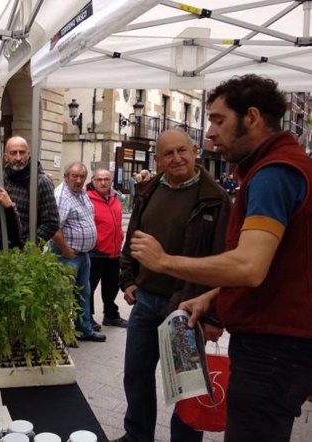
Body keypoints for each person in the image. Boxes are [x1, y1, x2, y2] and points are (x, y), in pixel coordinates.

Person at [129, 75, 312, 442]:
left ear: (253, 117)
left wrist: (164, 261)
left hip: (273, 348)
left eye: (217, 120)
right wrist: (214, 295)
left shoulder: (274, 173)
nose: (209, 133)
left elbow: (248, 265)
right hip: (273, 343)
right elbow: (274, 262)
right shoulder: (276, 167)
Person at [113, 129, 231, 442]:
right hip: (146, 301)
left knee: (186, 386)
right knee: (136, 376)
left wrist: (214, 316)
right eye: (169, 153)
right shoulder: (149, 191)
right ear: (158, 160)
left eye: (182, 151)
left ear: (195, 152)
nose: (176, 158)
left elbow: (224, 258)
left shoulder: (215, 198)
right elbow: (133, 239)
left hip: (187, 308)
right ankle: (137, 436)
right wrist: (127, 279)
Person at [50, 162, 105, 343]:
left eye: (82, 176)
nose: (78, 180)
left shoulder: (81, 193)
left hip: (83, 255)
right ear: (66, 177)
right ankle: (63, 335)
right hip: (67, 255)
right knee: (64, 297)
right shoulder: (62, 196)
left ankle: (83, 330)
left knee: (83, 294)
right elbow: (54, 228)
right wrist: (66, 250)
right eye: (74, 176)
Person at [86, 169, 127, 330]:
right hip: (96, 251)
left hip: (114, 250)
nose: (103, 182)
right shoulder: (87, 198)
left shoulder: (115, 197)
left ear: (111, 181)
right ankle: (87, 318)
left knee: (112, 286)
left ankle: (110, 315)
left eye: (106, 179)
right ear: (93, 181)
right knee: (89, 288)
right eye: (99, 179)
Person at [3, 136, 59, 244]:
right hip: (3, 248)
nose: (18, 158)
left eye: (22, 152)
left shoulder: (41, 182)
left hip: (26, 253)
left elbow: (52, 222)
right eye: (13, 153)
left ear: (28, 154)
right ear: (6, 157)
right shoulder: (1, 178)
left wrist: (29, 245)